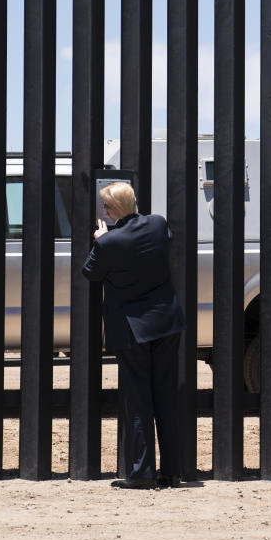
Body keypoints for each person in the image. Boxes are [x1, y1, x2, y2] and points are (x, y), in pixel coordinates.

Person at [82, 182, 186, 489]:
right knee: (166, 397)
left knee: (139, 400)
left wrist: (102, 237)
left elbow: (90, 273)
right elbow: (165, 239)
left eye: (106, 206)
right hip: (166, 323)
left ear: (112, 212)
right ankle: (171, 471)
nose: (103, 211)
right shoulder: (157, 224)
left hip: (132, 329)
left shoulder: (109, 242)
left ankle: (142, 473)